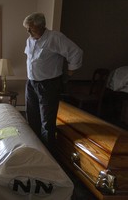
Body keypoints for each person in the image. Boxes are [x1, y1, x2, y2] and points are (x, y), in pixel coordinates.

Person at [22, 12, 83, 151]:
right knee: (32, 117)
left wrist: (70, 71)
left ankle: (49, 153)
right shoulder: (30, 39)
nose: (28, 31)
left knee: (47, 121)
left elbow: (76, 52)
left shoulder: (55, 38)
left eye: (31, 28)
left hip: (48, 84)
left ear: (41, 26)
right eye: (27, 28)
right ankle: (34, 148)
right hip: (31, 83)